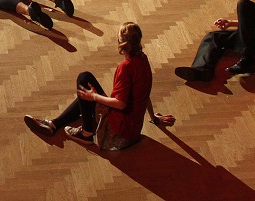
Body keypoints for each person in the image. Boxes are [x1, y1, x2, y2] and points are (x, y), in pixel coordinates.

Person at [24, 22, 176, 150]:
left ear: (121, 43)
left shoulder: (126, 68)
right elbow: (143, 93)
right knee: (85, 94)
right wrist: (154, 118)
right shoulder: (143, 60)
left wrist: (94, 96)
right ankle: (52, 124)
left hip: (118, 131)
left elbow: (121, 104)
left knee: (84, 79)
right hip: (133, 130)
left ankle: (86, 133)